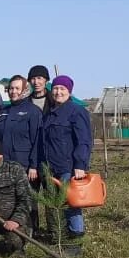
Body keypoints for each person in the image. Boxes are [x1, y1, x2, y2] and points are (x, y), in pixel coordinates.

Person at [38, 75, 92, 247]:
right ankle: (59, 237)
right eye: (55, 88)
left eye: (62, 89)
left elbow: (84, 141)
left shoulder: (76, 112)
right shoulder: (49, 114)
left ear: (69, 92)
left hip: (68, 168)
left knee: (71, 204)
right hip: (50, 168)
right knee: (55, 204)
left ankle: (76, 239)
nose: (58, 92)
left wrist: (80, 165)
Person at [0, 74, 43, 232]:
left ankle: (32, 231)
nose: (13, 91)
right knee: (9, 198)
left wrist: (34, 166)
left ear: (24, 90)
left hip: (25, 165)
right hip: (5, 164)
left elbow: (37, 140)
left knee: (28, 199)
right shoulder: (3, 111)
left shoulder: (33, 111)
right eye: (11, 88)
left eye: (17, 88)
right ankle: (12, 231)